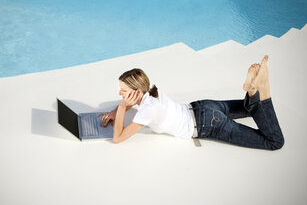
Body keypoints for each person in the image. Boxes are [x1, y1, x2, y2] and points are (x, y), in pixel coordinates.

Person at [98, 55, 284, 150]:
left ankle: (260, 91)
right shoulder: (150, 92)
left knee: (274, 142)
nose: (119, 94)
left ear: (136, 92)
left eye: (123, 91)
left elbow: (118, 138)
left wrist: (121, 107)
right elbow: (132, 102)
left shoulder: (148, 110)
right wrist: (115, 113)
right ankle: (252, 92)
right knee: (247, 108)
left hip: (208, 124)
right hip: (203, 106)